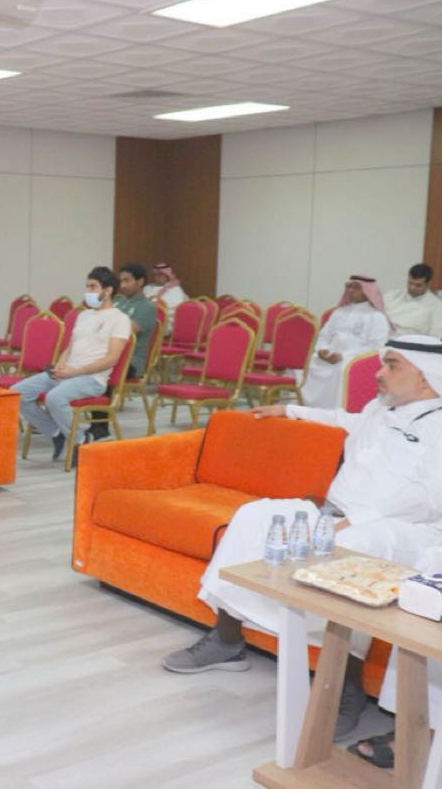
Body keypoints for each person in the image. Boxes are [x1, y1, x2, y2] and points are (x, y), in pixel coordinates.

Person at [161, 335, 442, 744]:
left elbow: (430, 499)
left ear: (427, 376)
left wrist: (355, 521)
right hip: (336, 514)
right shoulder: (379, 409)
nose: (379, 373)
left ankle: (347, 686)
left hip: (404, 531)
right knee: (256, 516)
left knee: (353, 548)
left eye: (392, 365)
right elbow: (344, 420)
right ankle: (226, 639)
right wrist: (289, 410)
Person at [13, 267, 131, 462]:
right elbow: (69, 348)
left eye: (93, 287)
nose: (88, 292)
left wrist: (75, 371)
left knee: (54, 398)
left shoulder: (119, 319)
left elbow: (112, 359)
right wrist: (60, 366)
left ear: (108, 290)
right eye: (87, 287)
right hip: (67, 373)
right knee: (17, 393)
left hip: (92, 379)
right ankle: (56, 432)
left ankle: (80, 440)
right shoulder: (84, 316)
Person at [87, 262, 157, 441]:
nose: (123, 285)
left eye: (127, 280)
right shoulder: (117, 301)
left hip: (131, 361)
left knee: (101, 369)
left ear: (140, 281)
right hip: (108, 354)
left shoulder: (147, 307)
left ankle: (101, 427)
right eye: (121, 281)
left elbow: (125, 331)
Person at [302, 275, 392, 408]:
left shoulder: (377, 317)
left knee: (341, 368)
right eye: (349, 287)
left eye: (356, 287)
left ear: (368, 291)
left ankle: (335, 411)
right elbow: (324, 336)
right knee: (315, 361)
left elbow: (376, 348)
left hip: (354, 360)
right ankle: (311, 410)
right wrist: (322, 350)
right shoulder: (339, 312)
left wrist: (343, 356)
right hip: (330, 356)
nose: (350, 290)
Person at [382, 263, 442, 338]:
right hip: (382, 337)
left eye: (418, 285)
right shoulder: (393, 295)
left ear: (428, 284)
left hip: (410, 342)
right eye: (410, 283)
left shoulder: (437, 306)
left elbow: (435, 336)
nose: (412, 287)